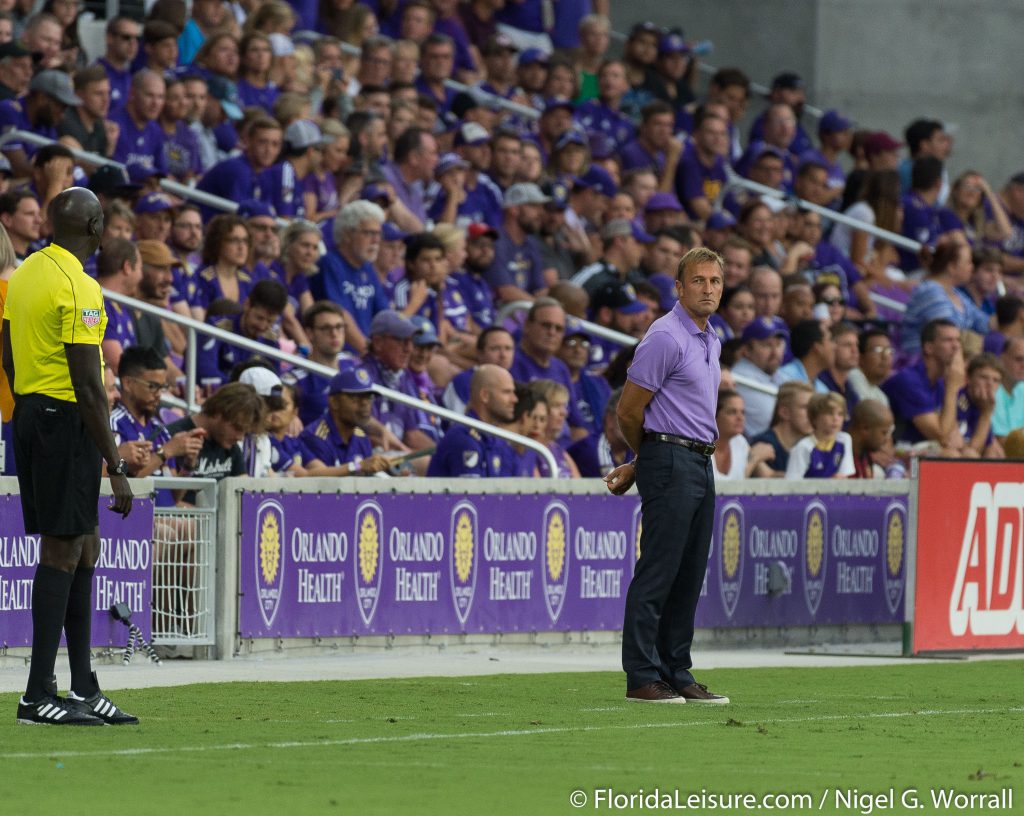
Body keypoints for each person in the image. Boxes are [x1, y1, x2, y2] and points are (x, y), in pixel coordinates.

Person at [1, 187, 135, 725]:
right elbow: (88, 382)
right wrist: (117, 465)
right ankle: (37, 694)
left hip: (31, 414)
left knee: (84, 548)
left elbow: (6, 347)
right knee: (62, 552)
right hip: (65, 421)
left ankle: (82, 685)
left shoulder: (26, 271)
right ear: (97, 227)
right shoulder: (81, 287)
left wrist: (29, 400)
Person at [605, 246, 729, 704]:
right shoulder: (665, 336)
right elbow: (629, 410)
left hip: (699, 458)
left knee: (689, 572)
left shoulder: (710, 338)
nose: (708, 289)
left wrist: (645, 461)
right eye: (698, 281)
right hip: (672, 459)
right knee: (659, 570)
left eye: (715, 281)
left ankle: (676, 668)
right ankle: (641, 674)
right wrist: (649, 458)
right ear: (679, 287)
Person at [298, 365, 392, 477]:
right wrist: (358, 466)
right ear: (334, 402)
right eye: (356, 398)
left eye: (368, 397)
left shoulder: (361, 437)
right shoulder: (315, 437)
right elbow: (321, 486)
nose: (365, 403)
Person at [427, 364, 519, 477]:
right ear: (485, 396)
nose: (514, 399)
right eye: (506, 392)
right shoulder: (464, 438)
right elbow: (470, 494)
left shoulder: (499, 440)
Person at [785, 392, 856, 479]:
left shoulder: (844, 439)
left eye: (840, 414)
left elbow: (844, 475)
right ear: (815, 418)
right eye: (829, 413)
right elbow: (792, 484)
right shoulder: (803, 447)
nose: (836, 418)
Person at [849, 399, 897, 479]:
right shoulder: (839, 458)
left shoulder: (865, 455)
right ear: (865, 428)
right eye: (884, 433)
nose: (887, 439)